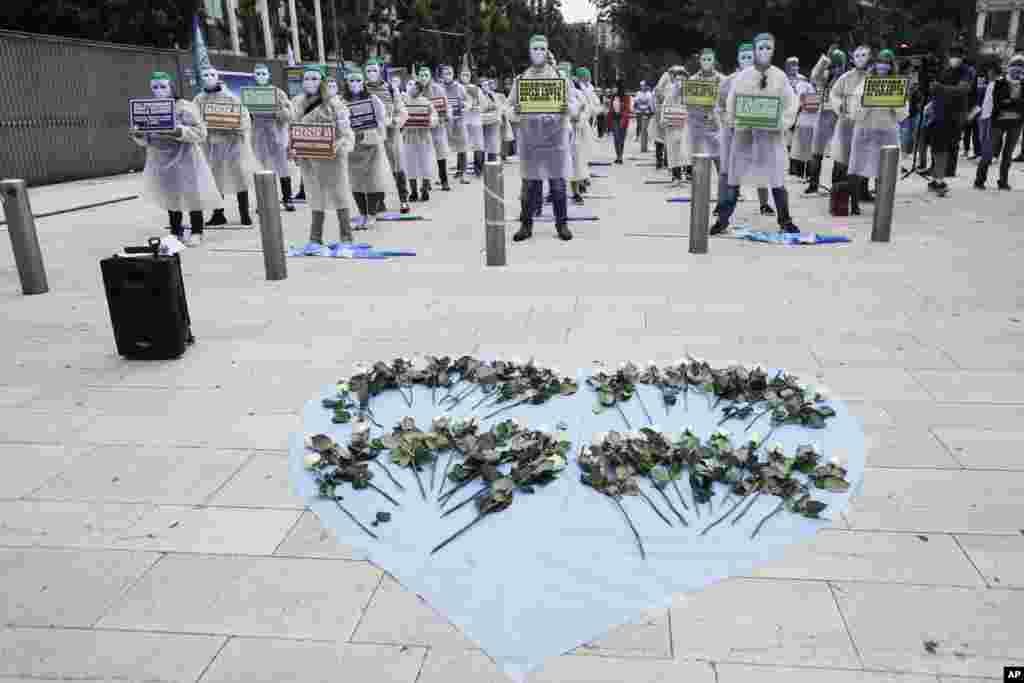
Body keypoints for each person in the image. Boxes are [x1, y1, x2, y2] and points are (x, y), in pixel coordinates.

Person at [711, 33, 800, 235]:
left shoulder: (779, 76)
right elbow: (732, 103)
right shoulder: (743, 76)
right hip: (744, 136)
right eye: (760, 47)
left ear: (774, 50)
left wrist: (781, 123)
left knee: (777, 178)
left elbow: (791, 103)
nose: (764, 52)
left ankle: (785, 220)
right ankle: (723, 220)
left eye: (768, 47)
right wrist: (735, 121)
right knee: (734, 177)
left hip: (770, 137)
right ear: (754, 50)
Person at [132, 71, 221, 246]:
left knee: (192, 194)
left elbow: (201, 133)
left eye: (163, 86)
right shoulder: (147, 109)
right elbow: (145, 138)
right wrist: (139, 134)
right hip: (161, 159)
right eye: (155, 87)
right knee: (171, 196)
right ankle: (175, 232)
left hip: (186, 157)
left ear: (171, 87)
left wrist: (179, 131)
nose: (159, 90)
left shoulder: (185, 106)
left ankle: (197, 231)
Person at [510, 34, 580, 242]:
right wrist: (516, 110)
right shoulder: (522, 80)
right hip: (531, 141)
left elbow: (574, 104)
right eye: (535, 49)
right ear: (529, 51)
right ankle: (526, 225)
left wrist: (567, 109)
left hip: (554, 141)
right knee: (529, 186)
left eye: (542, 49)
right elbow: (508, 107)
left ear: (547, 51)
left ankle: (562, 224)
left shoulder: (559, 79)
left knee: (558, 184)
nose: (538, 52)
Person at [292, 64, 356, 249]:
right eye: (306, 78)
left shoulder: (335, 104)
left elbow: (346, 132)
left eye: (314, 78)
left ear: (322, 81)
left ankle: (346, 237)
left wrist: (339, 146)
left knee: (340, 194)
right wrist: (294, 149)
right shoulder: (296, 102)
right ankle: (315, 237)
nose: (310, 82)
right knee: (314, 195)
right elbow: (293, 129)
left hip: (333, 158)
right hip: (309, 160)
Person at [844, 49, 908, 215]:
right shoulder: (866, 82)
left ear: (891, 66)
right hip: (865, 130)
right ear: (875, 63)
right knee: (857, 166)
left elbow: (902, 114)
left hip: (887, 131)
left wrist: (895, 104)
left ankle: (882, 203)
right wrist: (868, 103)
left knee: (884, 168)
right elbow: (854, 110)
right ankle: (854, 204)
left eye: (886, 63)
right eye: (880, 62)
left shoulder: (896, 84)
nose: (883, 66)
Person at [194, 64, 259, 227]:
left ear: (217, 77)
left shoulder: (231, 97)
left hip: (232, 145)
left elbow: (244, 118)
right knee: (215, 180)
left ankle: (244, 214)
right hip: (212, 146)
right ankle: (218, 214)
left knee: (239, 178)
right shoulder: (198, 99)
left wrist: (235, 129)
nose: (208, 78)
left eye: (211, 74)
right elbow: (193, 118)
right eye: (205, 75)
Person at [344, 68, 391, 228]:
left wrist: (372, 132)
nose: (355, 84)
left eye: (358, 80)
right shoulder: (342, 101)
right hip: (352, 148)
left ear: (363, 83)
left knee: (372, 180)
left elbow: (382, 119)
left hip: (371, 145)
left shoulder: (373, 99)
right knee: (355, 182)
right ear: (346, 83)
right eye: (351, 80)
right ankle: (362, 213)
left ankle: (372, 214)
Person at [926, 44, 974, 195]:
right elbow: (936, 89)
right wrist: (931, 103)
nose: (954, 58)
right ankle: (936, 178)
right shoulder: (946, 71)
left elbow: (963, 89)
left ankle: (940, 180)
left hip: (952, 115)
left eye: (957, 55)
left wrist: (940, 88)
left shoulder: (966, 71)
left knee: (942, 148)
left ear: (962, 56)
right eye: (952, 54)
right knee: (935, 147)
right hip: (938, 113)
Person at [249, 63, 296, 212]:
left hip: (277, 135)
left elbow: (290, 115)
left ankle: (287, 199)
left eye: (263, 73)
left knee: (282, 168)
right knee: (261, 169)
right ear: (253, 76)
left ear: (269, 75)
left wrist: (278, 110)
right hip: (259, 137)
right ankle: (264, 201)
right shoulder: (250, 93)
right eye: (258, 74)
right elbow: (246, 116)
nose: (261, 76)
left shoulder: (279, 93)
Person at [366, 59, 410, 214]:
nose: (371, 73)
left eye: (374, 70)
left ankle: (403, 198)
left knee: (397, 165)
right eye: (368, 70)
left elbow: (402, 111)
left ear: (380, 71)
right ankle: (379, 201)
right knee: (375, 168)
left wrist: (395, 121)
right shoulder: (362, 90)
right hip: (371, 135)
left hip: (391, 134)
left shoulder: (391, 89)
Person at [829, 46, 872, 206]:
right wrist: (839, 105)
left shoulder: (873, 77)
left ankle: (862, 191)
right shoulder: (845, 78)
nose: (861, 58)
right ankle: (837, 192)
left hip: (865, 123)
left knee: (863, 158)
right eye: (858, 55)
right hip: (846, 123)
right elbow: (834, 94)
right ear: (853, 58)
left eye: (864, 55)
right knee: (842, 158)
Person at [975, 54, 1024, 190]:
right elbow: (998, 104)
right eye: (1015, 66)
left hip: (1016, 123)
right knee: (988, 152)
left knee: (1008, 154)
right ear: (1009, 67)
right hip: (998, 122)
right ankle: (979, 180)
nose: (1018, 70)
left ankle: (1003, 181)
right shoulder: (999, 83)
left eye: (1021, 67)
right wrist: (1015, 103)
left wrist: (1011, 102)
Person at [806, 47, 847, 194]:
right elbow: (814, 76)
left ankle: (836, 185)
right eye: (834, 66)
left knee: (840, 152)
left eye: (839, 66)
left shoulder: (847, 78)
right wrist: (825, 60)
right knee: (816, 152)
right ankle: (813, 184)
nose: (837, 69)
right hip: (824, 115)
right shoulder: (825, 76)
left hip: (840, 116)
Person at [402, 74, 440, 203]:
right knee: (410, 165)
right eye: (410, 86)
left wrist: (430, 121)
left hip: (424, 137)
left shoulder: (427, 103)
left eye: (415, 87)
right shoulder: (403, 102)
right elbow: (398, 117)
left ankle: (424, 189)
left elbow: (435, 117)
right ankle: (413, 191)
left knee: (425, 163)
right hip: (409, 137)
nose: (412, 89)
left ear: (420, 89)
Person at [688, 49, 724, 183]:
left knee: (721, 160)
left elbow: (728, 103)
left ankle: (727, 191)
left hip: (717, 127)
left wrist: (717, 113)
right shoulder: (692, 80)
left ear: (714, 60)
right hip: (699, 128)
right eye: (704, 59)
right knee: (700, 162)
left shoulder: (723, 80)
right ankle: (700, 195)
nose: (707, 62)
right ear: (699, 61)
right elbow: (689, 105)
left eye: (709, 59)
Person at [420, 66, 452, 191]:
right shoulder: (415, 90)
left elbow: (446, 105)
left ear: (430, 76)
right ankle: (426, 181)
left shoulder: (438, 89)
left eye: (426, 75)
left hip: (438, 126)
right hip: (422, 127)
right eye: (421, 75)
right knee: (424, 155)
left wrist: (447, 116)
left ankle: (444, 180)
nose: (423, 78)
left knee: (441, 154)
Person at [440, 64, 470, 184]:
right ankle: (442, 176)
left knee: (462, 147)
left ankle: (463, 173)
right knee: (442, 149)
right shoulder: (439, 88)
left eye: (450, 73)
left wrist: (464, 107)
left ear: (453, 74)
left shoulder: (460, 87)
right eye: (445, 73)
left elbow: (468, 101)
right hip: (445, 122)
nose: (447, 76)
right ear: (441, 75)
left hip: (459, 121)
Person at [659, 66, 688, 185]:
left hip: (685, 125)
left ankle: (686, 173)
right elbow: (665, 104)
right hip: (672, 124)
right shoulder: (669, 89)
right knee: (672, 151)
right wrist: (662, 119)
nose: (680, 81)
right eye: (677, 79)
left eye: (682, 79)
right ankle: (676, 176)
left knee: (684, 151)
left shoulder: (689, 91)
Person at [784, 56, 810, 176]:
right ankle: (792, 167)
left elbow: (809, 95)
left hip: (801, 112)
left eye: (795, 64)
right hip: (788, 112)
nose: (793, 67)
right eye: (791, 65)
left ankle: (800, 168)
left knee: (800, 141)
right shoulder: (783, 79)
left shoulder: (803, 79)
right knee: (789, 141)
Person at [460, 58, 486, 178]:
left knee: (478, 145)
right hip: (463, 121)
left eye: (467, 75)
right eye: (463, 75)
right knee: (462, 145)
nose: (465, 77)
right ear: (460, 76)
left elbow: (484, 104)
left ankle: (478, 169)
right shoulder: (457, 88)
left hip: (475, 120)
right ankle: (462, 169)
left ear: (470, 76)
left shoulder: (476, 89)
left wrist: (478, 108)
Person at [607, 81, 632, 164]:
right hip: (614, 119)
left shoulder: (626, 96)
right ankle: (618, 155)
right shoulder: (613, 97)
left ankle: (620, 156)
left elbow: (627, 109)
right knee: (616, 138)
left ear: (619, 88)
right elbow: (610, 109)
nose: (613, 89)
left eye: (615, 87)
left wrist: (623, 119)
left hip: (623, 119)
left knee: (621, 139)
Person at [479, 78, 503, 163]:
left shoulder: (493, 95)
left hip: (493, 123)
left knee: (492, 145)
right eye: (484, 85)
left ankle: (492, 164)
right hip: (483, 124)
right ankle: (480, 167)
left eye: (487, 85)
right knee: (481, 146)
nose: (486, 87)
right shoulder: (479, 96)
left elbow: (499, 107)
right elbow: (480, 109)